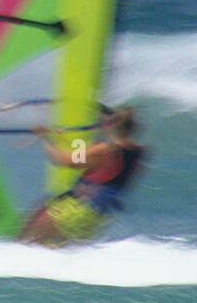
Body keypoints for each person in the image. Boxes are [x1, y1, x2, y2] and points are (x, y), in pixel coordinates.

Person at [18, 105, 144, 246]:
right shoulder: (137, 151)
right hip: (96, 218)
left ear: (111, 124)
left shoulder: (104, 151)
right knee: (54, 253)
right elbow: (106, 151)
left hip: (74, 211)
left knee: (28, 246)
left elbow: (63, 160)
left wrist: (44, 137)